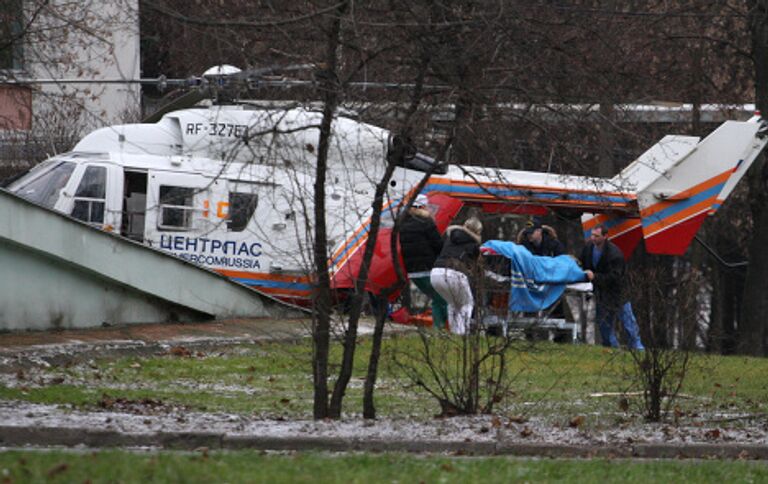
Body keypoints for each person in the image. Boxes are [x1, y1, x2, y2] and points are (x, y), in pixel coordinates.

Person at [580, 224, 644, 350]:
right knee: (604, 323)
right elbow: (583, 262)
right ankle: (610, 346)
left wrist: (595, 277)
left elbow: (615, 277)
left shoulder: (615, 254)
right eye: (592, 235)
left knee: (628, 322)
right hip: (602, 293)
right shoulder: (588, 249)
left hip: (618, 293)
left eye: (596, 236)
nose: (593, 238)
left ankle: (637, 347)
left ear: (605, 236)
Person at [398, 194, 448, 329]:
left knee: (437, 298)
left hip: (412, 271)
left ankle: (441, 329)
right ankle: (443, 328)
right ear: (423, 207)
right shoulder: (426, 222)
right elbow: (438, 245)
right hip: (428, 269)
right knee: (442, 299)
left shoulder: (403, 224)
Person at [430, 217, 483, 335]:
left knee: (453, 304)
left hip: (436, 272)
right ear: (478, 232)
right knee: (467, 303)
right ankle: (461, 334)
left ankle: (454, 333)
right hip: (454, 273)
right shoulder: (473, 244)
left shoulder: (451, 237)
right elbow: (474, 265)